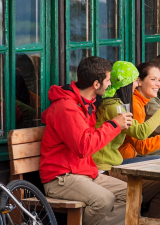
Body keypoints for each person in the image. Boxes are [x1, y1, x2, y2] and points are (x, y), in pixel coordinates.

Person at [40, 56, 133, 225]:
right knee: (104, 200)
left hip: (83, 172)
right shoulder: (67, 108)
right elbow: (84, 147)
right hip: (61, 177)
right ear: (96, 84)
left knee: (132, 194)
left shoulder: (86, 103)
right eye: (108, 80)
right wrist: (114, 125)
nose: (110, 84)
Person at [93, 61, 160, 220]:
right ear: (126, 84)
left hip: (114, 164)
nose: (136, 86)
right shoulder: (114, 106)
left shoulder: (117, 103)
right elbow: (141, 133)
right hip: (106, 169)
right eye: (134, 81)